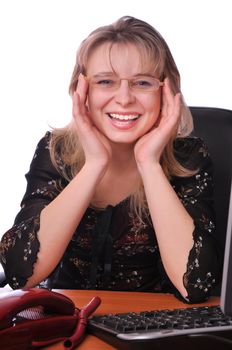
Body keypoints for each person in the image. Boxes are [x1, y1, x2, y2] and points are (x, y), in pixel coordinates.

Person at [0, 16, 221, 303]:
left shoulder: (189, 157)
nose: (125, 98)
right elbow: (20, 273)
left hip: (155, 330)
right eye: (106, 81)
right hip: (69, 326)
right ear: (83, 92)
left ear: (166, 93)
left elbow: (196, 285)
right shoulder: (56, 152)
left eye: (142, 82)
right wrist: (94, 165)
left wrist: (149, 163)